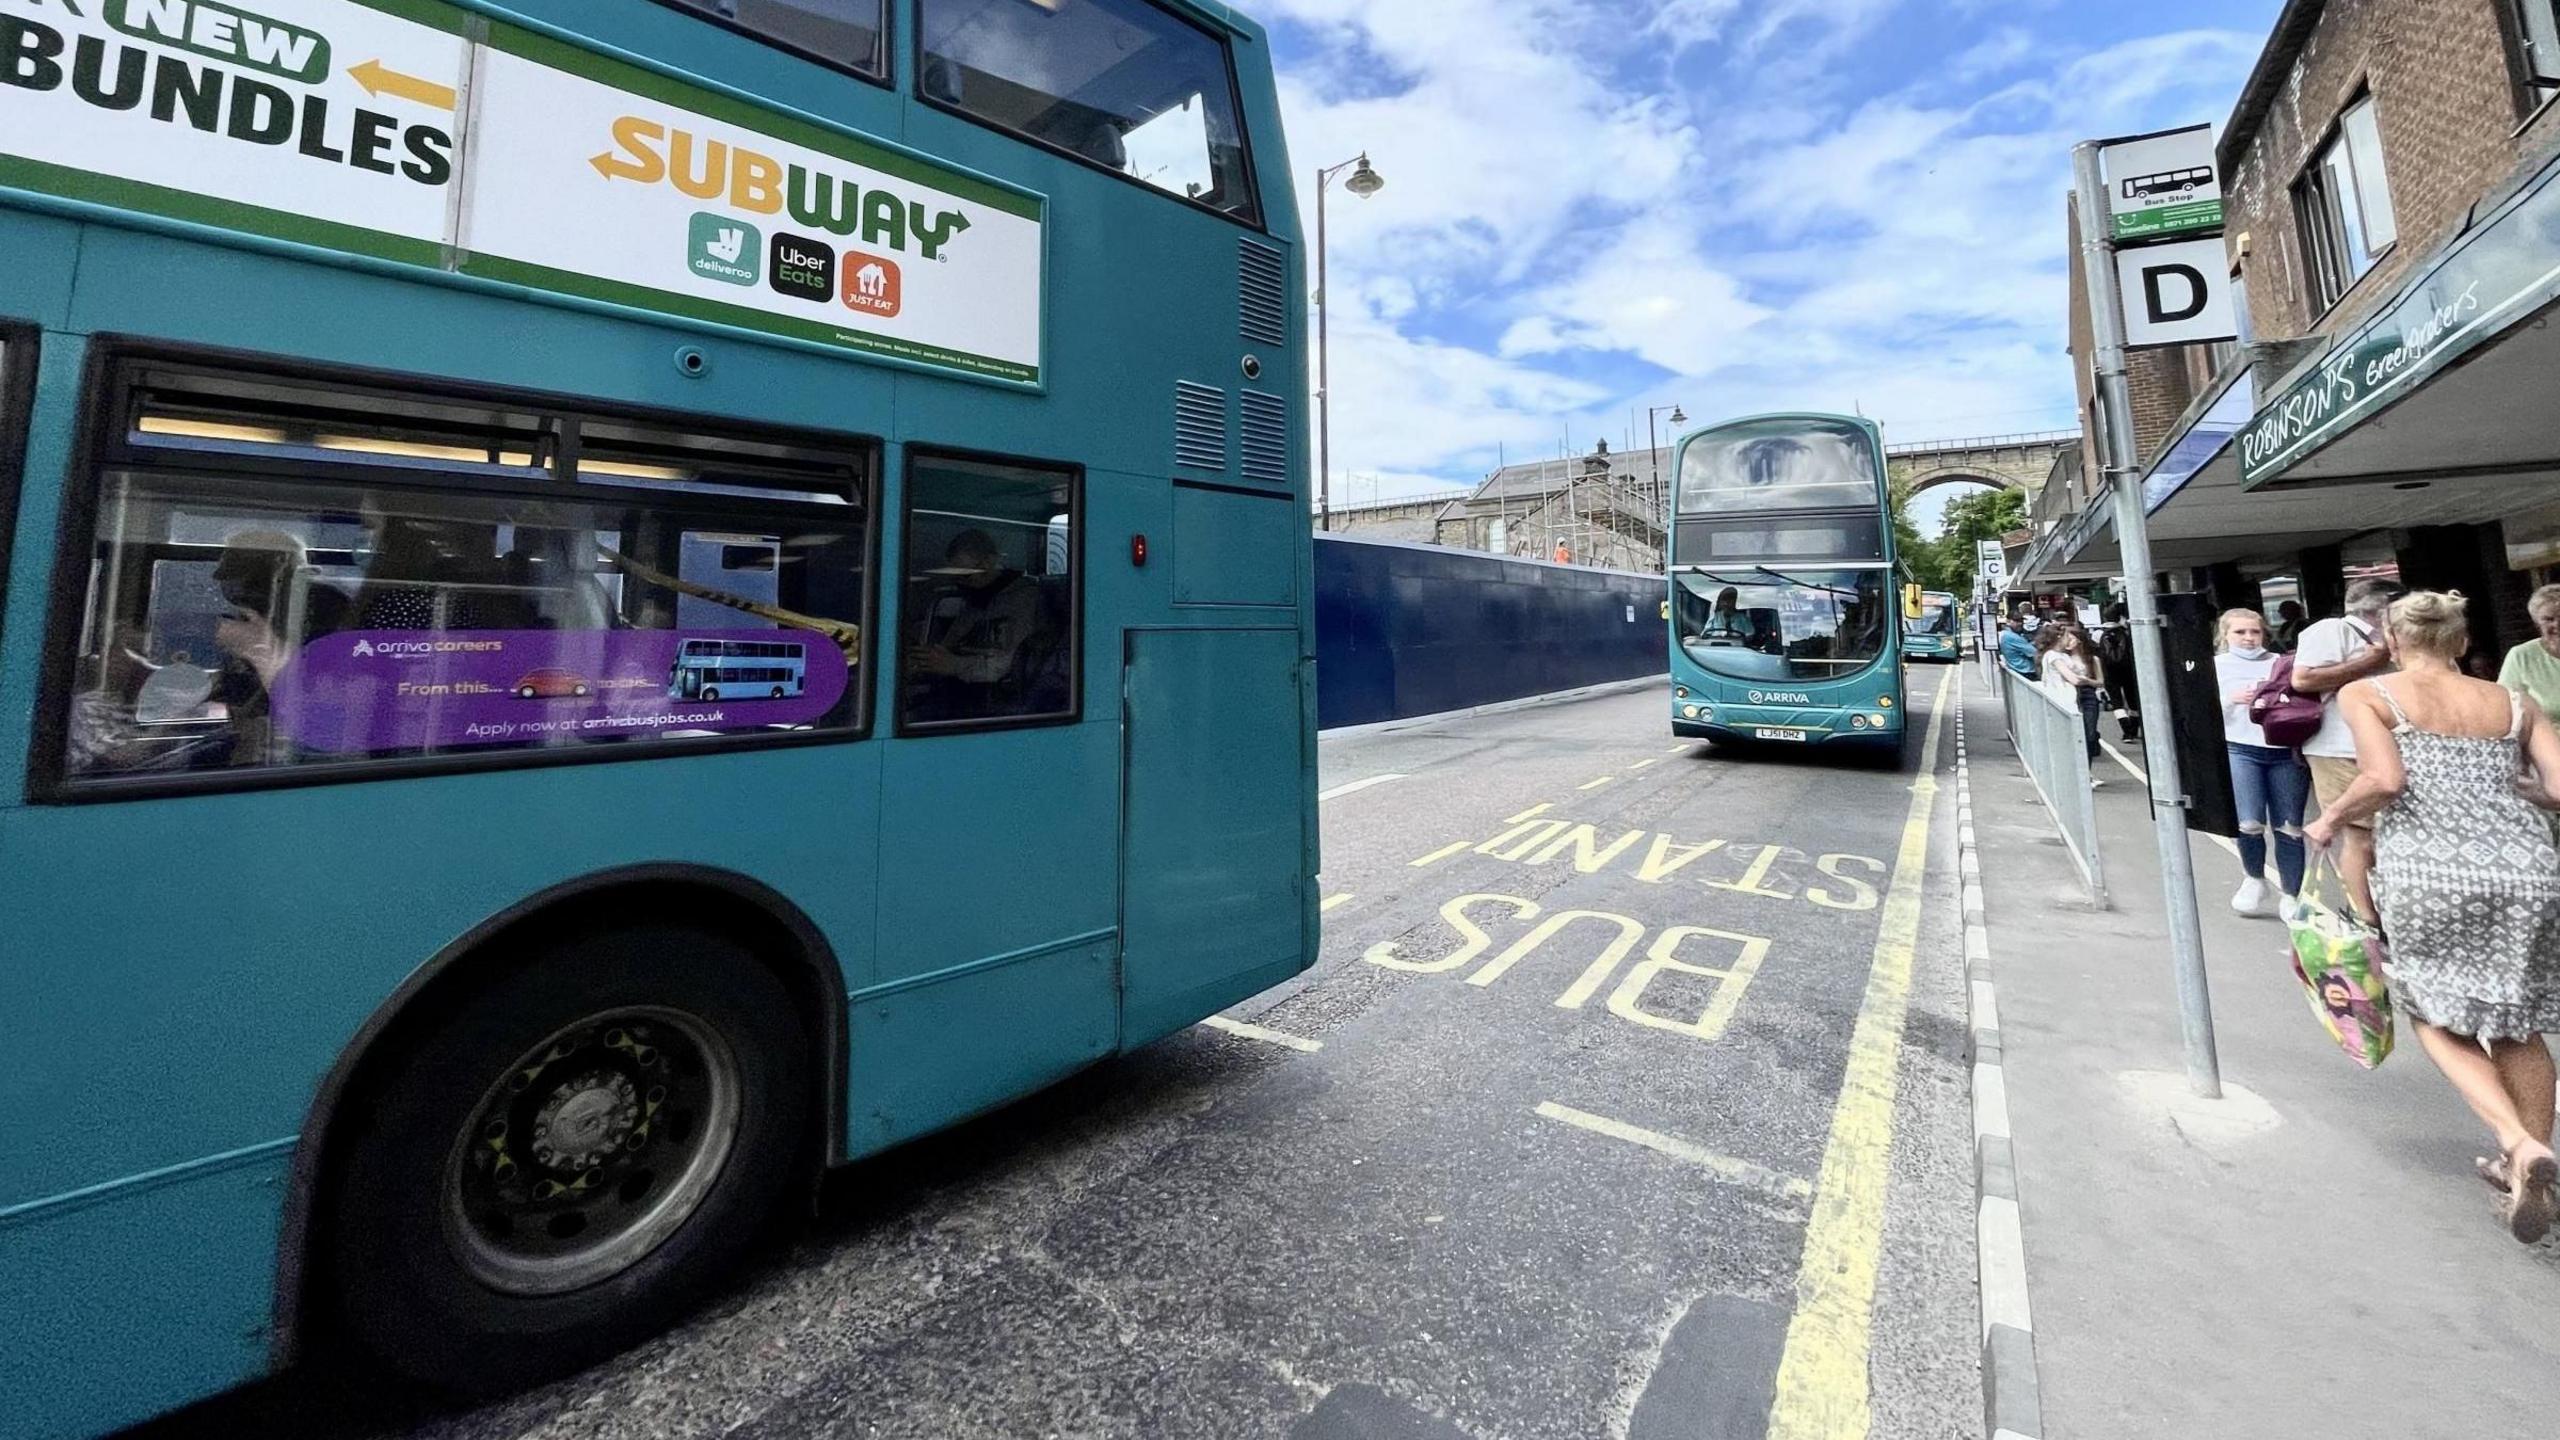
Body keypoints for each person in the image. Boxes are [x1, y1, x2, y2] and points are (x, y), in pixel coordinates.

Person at [2306, 591, 2560, 1245]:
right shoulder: (2513, 702)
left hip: (2431, 870)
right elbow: (2559, 789)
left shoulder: (2371, 696)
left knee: (2434, 1015)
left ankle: (2518, 1145)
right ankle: (2522, 1162)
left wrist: (2332, 817)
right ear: (2460, 642)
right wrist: (2522, 794)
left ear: (2393, 641)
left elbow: (2386, 778)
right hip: (2526, 868)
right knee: (2516, 1022)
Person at [2292, 578, 2404, 925]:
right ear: (2380, 608)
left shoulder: (2393, 639)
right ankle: (2365, 917)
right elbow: (2304, 680)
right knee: (2361, 834)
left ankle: (2383, 911)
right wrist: (2372, 660)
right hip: (2338, 746)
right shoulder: (2331, 631)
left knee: (2388, 833)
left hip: (2386, 745)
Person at [2214, 608, 2308, 914]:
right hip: (2240, 749)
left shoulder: (2281, 664)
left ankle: (2292, 896)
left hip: (2284, 751)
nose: (2248, 638)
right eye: (2239, 632)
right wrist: (2231, 700)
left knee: (2290, 826)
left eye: (2254, 632)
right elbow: (2204, 715)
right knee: (2249, 822)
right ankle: (2254, 878)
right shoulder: (2215, 666)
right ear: (2224, 635)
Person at [909, 528, 1045, 721]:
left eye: (967, 575)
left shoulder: (1025, 600)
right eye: (955, 577)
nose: (962, 584)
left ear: (989, 562)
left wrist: (955, 666)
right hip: (959, 693)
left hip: (1000, 701)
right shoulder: (975, 600)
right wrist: (924, 661)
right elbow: (950, 645)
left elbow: (1013, 663)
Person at [2038, 622, 2106, 785]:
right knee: (2075, 736)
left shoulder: (2072, 657)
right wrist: (2084, 680)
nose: (2070, 640)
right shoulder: (2054, 656)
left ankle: (2084, 774)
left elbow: (2096, 680)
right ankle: (2077, 774)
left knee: (2087, 735)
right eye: (2068, 636)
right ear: (2059, 637)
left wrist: (2085, 680)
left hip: (2081, 695)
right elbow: (2073, 679)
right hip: (2069, 696)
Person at [2497, 583, 2560, 731]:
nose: (2557, 624)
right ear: (2537, 622)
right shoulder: (2520, 657)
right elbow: (2504, 708)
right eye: (2548, 619)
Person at [2095, 603, 2141, 742]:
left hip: (2109, 672)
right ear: (2120, 617)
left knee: (2117, 702)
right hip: (2128, 671)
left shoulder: (2099, 634)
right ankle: (2133, 729)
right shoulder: (2127, 633)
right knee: (2133, 701)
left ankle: (2126, 731)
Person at [1998, 614, 2037, 679]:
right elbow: (2034, 653)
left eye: (2021, 621)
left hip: (2017, 669)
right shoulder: (2011, 636)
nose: (2020, 623)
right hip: (2026, 670)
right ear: (2008, 621)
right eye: (2017, 621)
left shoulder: (2004, 634)